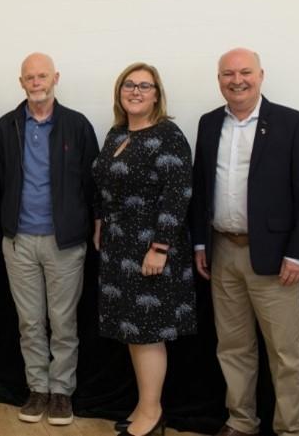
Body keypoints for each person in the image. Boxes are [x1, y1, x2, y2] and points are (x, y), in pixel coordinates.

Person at [189, 48, 299, 436]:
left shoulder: (292, 123)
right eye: (228, 74)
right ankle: (241, 421)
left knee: (285, 353)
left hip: (276, 258)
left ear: (261, 75)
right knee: (232, 347)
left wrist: (298, 254)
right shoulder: (209, 123)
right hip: (222, 251)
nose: (237, 80)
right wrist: (200, 244)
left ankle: (290, 429)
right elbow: (201, 187)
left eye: (245, 72)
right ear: (219, 80)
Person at [92, 62, 196, 436]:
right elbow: (104, 186)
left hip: (152, 248)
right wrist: (100, 222)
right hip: (118, 247)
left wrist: (160, 246)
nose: (135, 91)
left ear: (157, 94)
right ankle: (143, 406)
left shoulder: (169, 135)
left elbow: (178, 194)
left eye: (144, 86)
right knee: (132, 332)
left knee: (148, 331)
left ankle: (153, 415)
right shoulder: (116, 134)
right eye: (128, 85)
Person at [0, 52, 98, 426]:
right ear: (21, 83)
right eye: (29, 78)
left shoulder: (77, 125)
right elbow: (2, 180)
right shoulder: (7, 126)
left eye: (42, 76)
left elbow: (91, 182)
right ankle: (37, 388)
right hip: (19, 241)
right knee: (30, 322)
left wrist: (93, 225)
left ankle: (61, 392)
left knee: (64, 321)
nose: (36, 83)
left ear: (55, 78)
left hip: (64, 242)